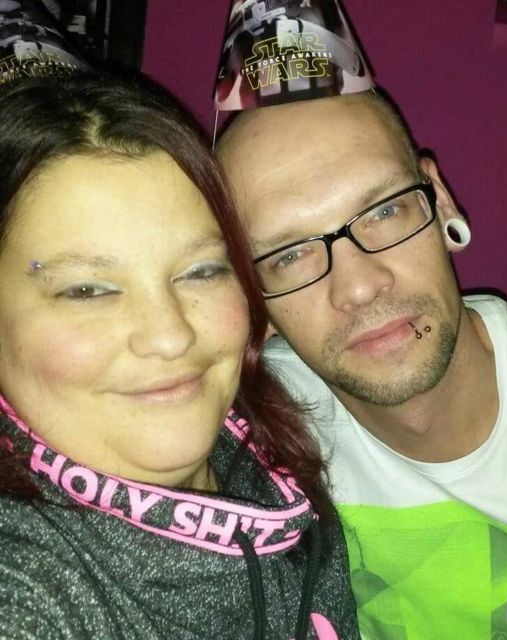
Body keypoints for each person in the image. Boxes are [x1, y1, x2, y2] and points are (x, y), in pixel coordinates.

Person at [216, 91, 507, 639]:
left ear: (440, 203)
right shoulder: (242, 431)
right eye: (289, 255)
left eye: (384, 212)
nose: (359, 286)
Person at [0, 74, 360, 640]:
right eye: (87, 290)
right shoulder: (25, 585)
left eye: (201, 271)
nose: (170, 337)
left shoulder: (273, 465)